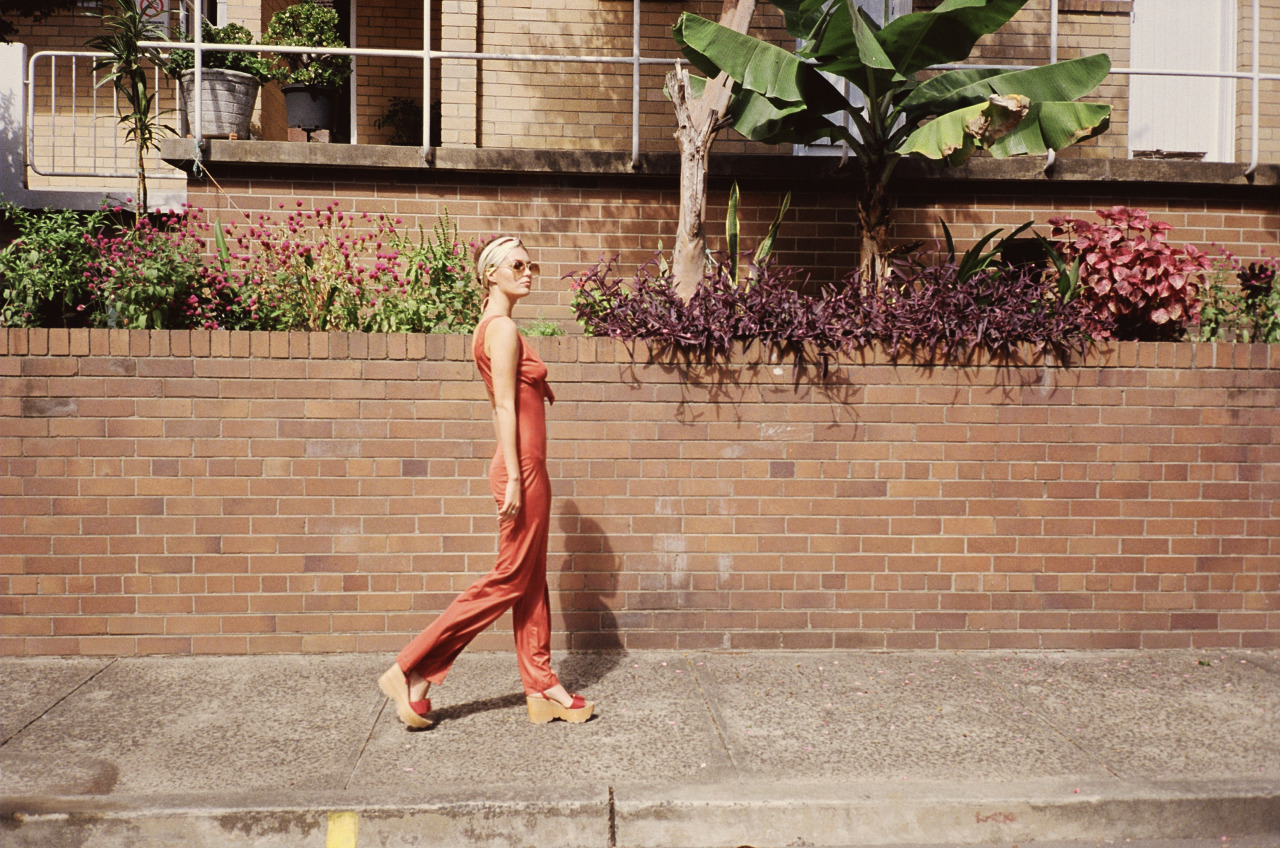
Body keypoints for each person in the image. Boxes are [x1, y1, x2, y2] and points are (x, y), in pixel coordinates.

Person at [378, 235, 594, 728]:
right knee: (510, 578)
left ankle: (541, 686)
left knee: (529, 579)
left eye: (531, 265)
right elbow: (502, 406)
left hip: (527, 466)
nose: (528, 272)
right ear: (490, 274)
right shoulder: (501, 329)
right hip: (523, 468)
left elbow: (507, 405)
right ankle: (411, 666)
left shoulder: (496, 326)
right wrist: (516, 476)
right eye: (517, 265)